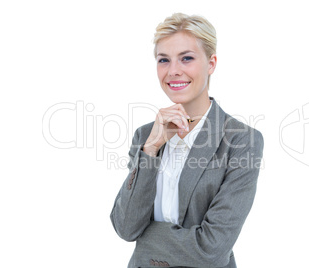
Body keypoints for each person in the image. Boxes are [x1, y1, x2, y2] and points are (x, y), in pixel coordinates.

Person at [110, 12, 264, 268]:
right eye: (163, 60)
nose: (173, 71)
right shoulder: (145, 136)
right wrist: (150, 150)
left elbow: (211, 249)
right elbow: (126, 227)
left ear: (211, 63)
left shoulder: (241, 141)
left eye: (187, 58)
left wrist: (146, 239)